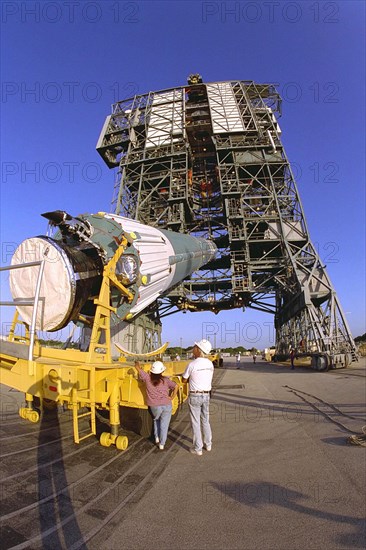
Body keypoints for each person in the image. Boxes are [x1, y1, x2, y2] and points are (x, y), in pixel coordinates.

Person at [135, 360, 178, 450]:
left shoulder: (147, 378)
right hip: (167, 404)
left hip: (154, 406)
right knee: (164, 425)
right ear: (162, 371)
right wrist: (172, 396)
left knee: (156, 419)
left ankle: (157, 438)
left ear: (151, 371)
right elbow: (176, 386)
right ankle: (162, 444)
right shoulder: (166, 380)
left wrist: (137, 363)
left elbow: (138, 368)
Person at [182, 339, 214, 456]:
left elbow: (184, 379)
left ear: (199, 350)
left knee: (195, 422)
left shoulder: (192, 364)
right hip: (206, 395)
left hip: (195, 395)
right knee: (205, 420)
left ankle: (198, 448)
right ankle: (208, 444)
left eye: (195, 347)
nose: (193, 348)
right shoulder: (210, 364)